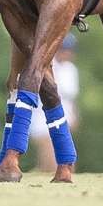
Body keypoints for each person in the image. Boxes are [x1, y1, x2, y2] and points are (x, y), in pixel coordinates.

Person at [29, 33, 80, 171]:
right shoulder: (49, 67)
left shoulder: (71, 69)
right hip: (43, 116)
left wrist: (74, 115)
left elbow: (71, 97)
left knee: (67, 157)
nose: (67, 53)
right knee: (48, 155)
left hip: (66, 115)